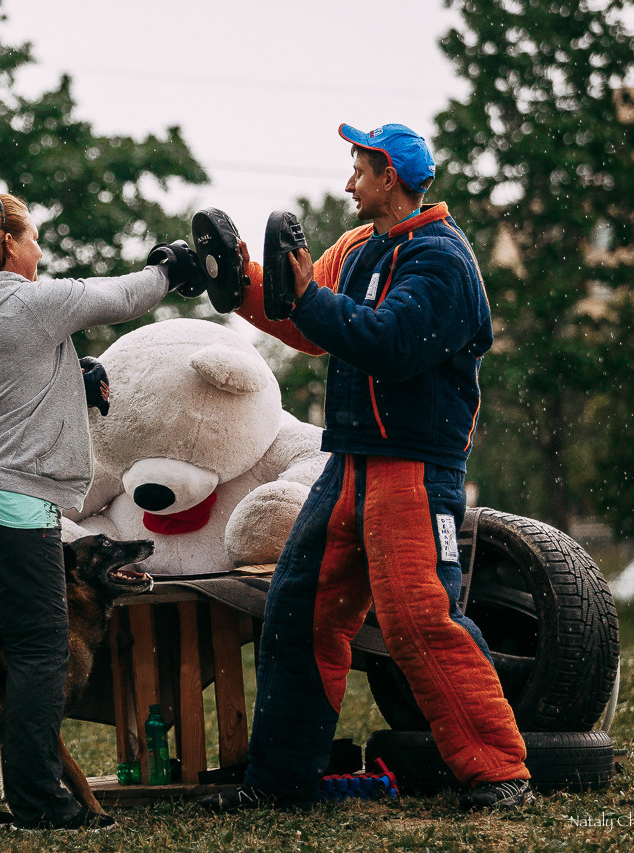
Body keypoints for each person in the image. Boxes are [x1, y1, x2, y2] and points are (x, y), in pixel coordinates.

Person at [201, 123, 534, 812]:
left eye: (358, 169)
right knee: (296, 615)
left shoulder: (442, 260)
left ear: (390, 176)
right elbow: (304, 313)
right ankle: (280, 781)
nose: (348, 182)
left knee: (420, 619)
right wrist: (238, 280)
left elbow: (388, 343)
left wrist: (311, 299)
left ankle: (501, 771)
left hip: (413, 470)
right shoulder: (359, 247)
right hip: (349, 464)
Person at [0, 184, 199, 833]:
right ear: (8, 243)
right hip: (9, 503)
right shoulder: (30, 302)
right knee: (43, 647)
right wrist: (171, 267)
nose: (39, 248)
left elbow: (7, 392)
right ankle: (42, 804)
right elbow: (125, 296)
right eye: (33, 236)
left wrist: (74, 375)